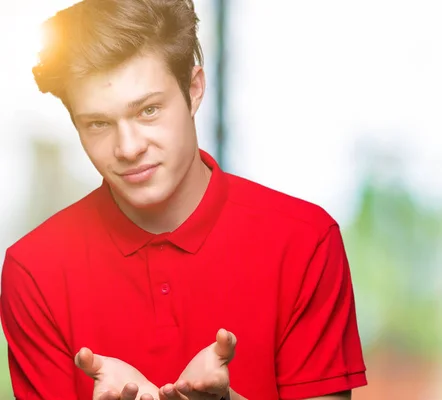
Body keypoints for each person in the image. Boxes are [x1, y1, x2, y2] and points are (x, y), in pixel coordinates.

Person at [0, 0, 367, 399]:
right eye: (99, 124)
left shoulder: (305, 242)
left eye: (149, 110)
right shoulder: (34, 271)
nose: (128, 147)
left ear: (194, 90)